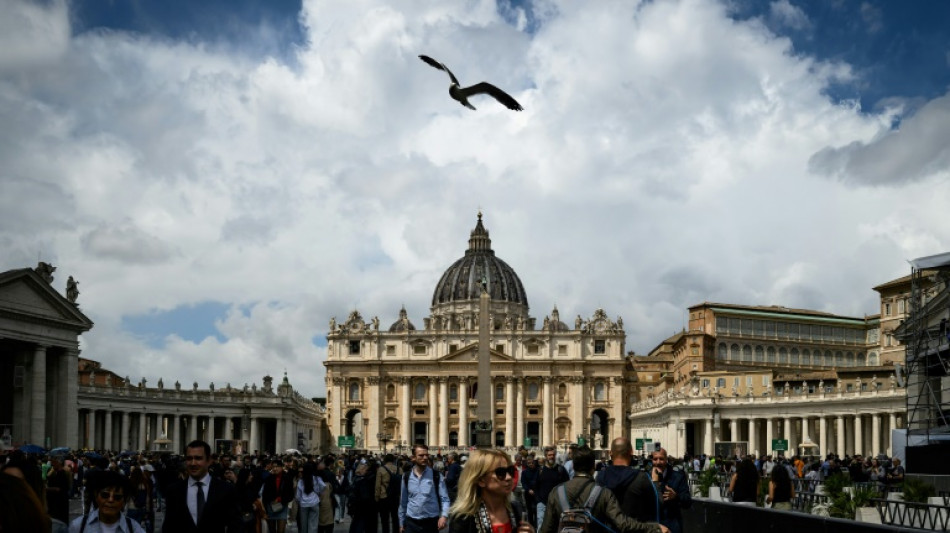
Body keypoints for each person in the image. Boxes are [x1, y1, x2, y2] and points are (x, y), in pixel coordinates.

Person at [537, 446, 666, 533]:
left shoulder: (556, 492)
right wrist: (655, 528)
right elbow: (623, 524)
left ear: (573, 466)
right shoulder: (604, 493)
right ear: (593, 467)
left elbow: (546, 529)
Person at [447, 449, 534, 533]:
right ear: (481, 480)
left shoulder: (516, 509)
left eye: (510, 471)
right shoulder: (463, 518)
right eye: (501, 473)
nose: (509, 477)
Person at [162, 440, 240, 533]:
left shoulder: (226, 489)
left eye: (198, 458)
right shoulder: (173, 490)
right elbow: (169, 526)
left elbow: (236, 525)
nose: (193, 463)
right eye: (189, 458)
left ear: (209, 461)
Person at [69, 470, 146, 533]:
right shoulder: (78, 526)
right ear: (96, 496)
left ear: (124, 501)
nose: (111, 500)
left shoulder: (134, 528)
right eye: (105, 495)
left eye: (117, 497)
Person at [399, 443, 450, 533]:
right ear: (413, 458)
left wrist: (444, 516)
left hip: (431, 522)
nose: (425, 458)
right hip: (411, 523)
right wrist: (401, 522)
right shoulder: (406, 476)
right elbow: (403, 502)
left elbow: (445, 499)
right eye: (421, 455)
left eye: (426, 455)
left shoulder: (436, 475)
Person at [647, 448, 691, 533]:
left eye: (661, 459)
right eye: (655, 459)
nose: (658, 462)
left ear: (666, 460)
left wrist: (676, 497)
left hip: (671, 528)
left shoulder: (678, 477)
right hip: (652, 527)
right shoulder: (645, 477)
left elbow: (687, 502)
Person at [533, 446, 569, 530]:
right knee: (541, 526)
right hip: (542, 503)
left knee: (557, 526)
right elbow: (535, 486)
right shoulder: (540, 470)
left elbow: (567, 485)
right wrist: (538, 500)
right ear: (546, 456)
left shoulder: (561, 469)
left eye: (553, 455)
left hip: (557, 503)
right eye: (549, 455)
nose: (551, 457)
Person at [263, 457, 296, 533]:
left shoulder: (287, 478)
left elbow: (290, 494)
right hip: (271, 507)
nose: (275, 468)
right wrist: (266, 508)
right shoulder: (269, 478)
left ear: (281, 467)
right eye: (273, 467)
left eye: (277, 466)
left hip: (282, 506)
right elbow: (265, 494)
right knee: (272, 530)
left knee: (281, 530)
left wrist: (280, 499)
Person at [349, 459, 379, 533]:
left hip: (361, 507)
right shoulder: (371, 478)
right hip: (368, 507)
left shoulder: (361, 479)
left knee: (358, 525)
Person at [297, 462, 328, 533]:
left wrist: (300, 501)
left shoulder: (301, 481)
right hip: (314, 503)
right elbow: (323, 486)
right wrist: (318, 491)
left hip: (303, 504)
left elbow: (298, 496)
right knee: (313, 525)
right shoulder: (317, 479)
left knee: (303, 525)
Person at [378, 454, 403, 533]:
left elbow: (377, 485)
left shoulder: (381, 469)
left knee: (384, 518)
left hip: (384, 496)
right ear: (393, 460)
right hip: (395, 496)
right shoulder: (399, 469)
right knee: (395, 517)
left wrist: (376, 497)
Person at [519, 457, 539, 527]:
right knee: (529, 510)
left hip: (537, 493)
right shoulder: (524, 472)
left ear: (534, 463)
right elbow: (523, 482)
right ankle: (531, 525)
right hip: (528, 493)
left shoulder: (538, 471)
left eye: (532, 463)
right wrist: (528, 489)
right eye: (529, 463)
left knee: (537, 510)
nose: (530, 464)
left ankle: (537, 525)